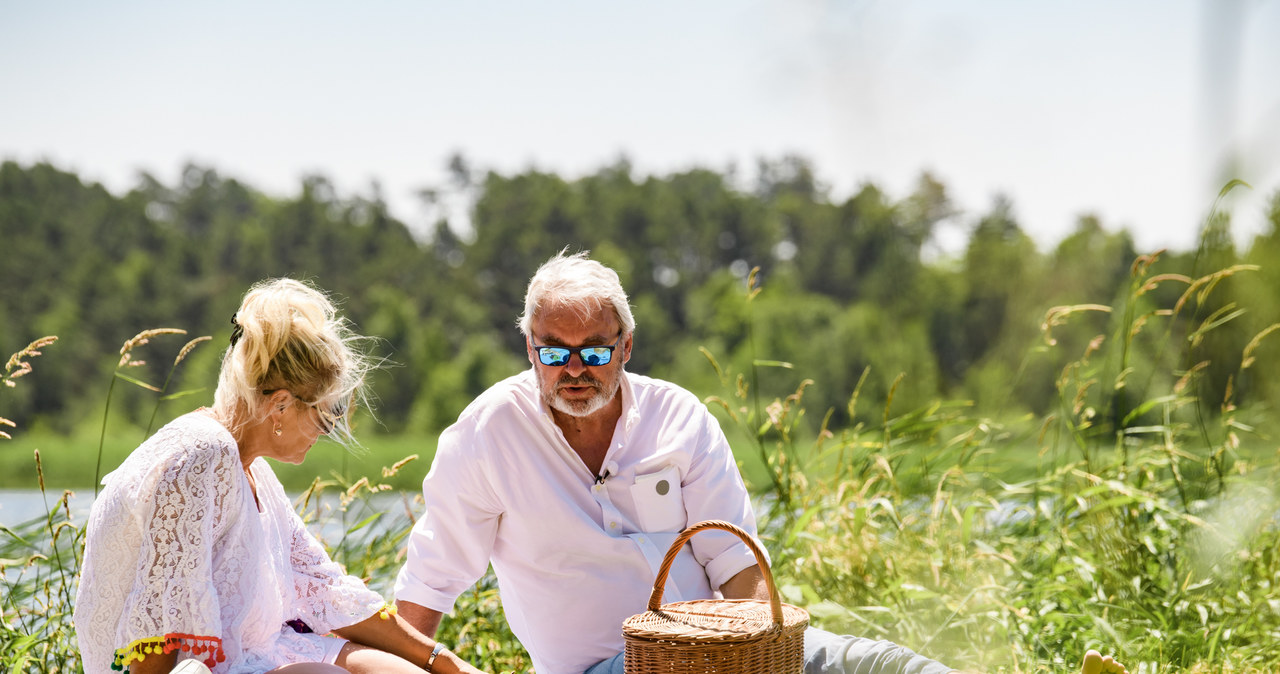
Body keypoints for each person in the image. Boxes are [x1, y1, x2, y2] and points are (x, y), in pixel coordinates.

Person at [393, 252, 960, 674]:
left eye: (593, 351)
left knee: (880, 665)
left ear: (626, 346)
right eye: (553, 351)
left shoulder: (680, 417)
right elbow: (431, 579)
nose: (573, 368)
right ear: (529, 349)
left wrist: (768, 654)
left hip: (717, 649)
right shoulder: (488, 433)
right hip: (601, 670)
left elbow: (737, 565)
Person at [75, 279, 487, 674]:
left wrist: (446, 663)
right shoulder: (200, 454)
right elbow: (157, 626)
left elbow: (327, 592)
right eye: (324, 415)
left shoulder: (254, 472)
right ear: (281, 406)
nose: (327, 431)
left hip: (266, 650)